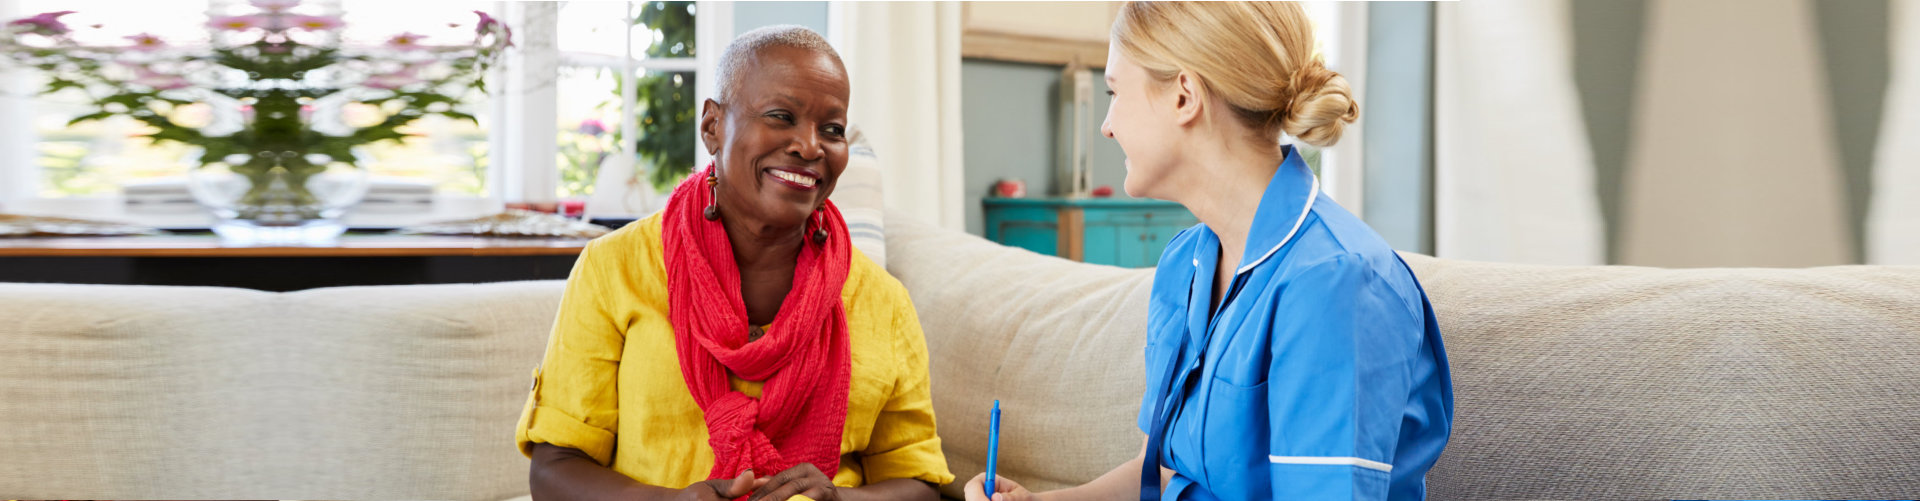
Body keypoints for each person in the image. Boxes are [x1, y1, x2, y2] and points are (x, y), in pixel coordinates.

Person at [966, 3, 1453, 500]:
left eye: (1114, 92)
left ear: (1184, 96)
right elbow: (1157, 473)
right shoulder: (1185, 264)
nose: (1107, 125)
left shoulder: (1335, 283)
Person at [516, 25, 950, 501]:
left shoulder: (882, 301)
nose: (809, 146)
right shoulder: (615, 268)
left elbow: (921, 483)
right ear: (712, 127)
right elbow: (553, 470)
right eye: (781, 116)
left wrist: (842, 499)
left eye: (832, 129)